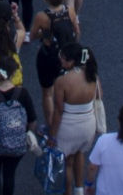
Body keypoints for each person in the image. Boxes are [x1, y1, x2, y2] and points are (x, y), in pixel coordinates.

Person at [0, 54, 39, 195]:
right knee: (9, 175)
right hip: (16, 143)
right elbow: (32, 119)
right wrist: (28, 134)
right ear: (14, 73)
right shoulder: (23, 94)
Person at [50, 43, 104, 194]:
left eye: (63, 58)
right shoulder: (93, 76)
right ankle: (79, 189)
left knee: (67, 162)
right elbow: (99, 97)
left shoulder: (62, 81)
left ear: (71, 61)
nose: (60, 60)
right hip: (88, 126)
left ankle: (68, 192)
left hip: (68, 126)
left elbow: (58, 111)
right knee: (80, 153)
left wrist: (52, 136)